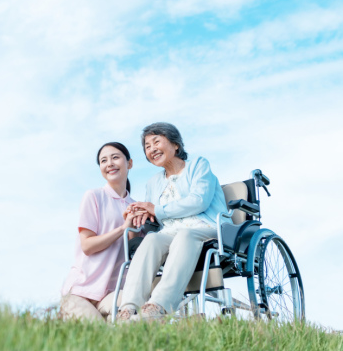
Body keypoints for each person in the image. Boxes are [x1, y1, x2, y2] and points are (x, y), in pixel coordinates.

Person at [117, 122, 229, 322]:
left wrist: (156, 209)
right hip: (170, 232)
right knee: (151, 239)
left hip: (205, 227)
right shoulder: (153, 183)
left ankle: (158, 307)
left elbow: (199, 201)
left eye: (156, 142)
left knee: (185, 235)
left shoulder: (198, 165)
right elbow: (155, 216)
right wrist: (139, 213)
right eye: (147, 147)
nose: (151, 149)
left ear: (175, 144)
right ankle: (128, 309)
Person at [60, 142, 145, 322]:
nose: (109, 163)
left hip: (113, 293)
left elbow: (132, 251)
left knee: (140, 316)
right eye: (103, 161)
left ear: (129, 163)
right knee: (101, 338)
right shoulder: (94, 196)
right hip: (80, 292)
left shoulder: (136, 206)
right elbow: (87, 246)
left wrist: (133, 227)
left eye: (115, 157)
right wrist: (122, 228)